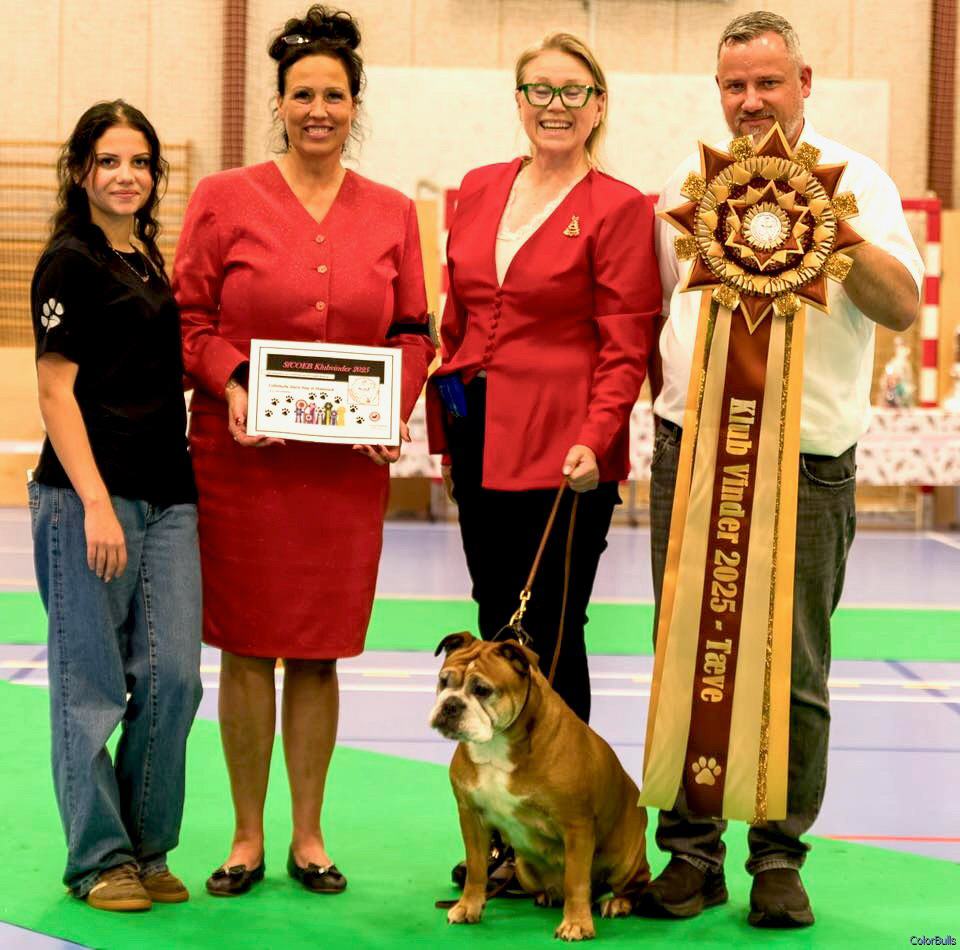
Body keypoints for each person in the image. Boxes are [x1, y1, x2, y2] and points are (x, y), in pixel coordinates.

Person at [638, 11, 923, 928]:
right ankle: (690, 854)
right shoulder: (685, 186)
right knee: (689, 652)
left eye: (768, 82)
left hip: (808, 463)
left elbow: (903, 307)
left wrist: (828, 230)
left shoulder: (859, 182)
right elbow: (661, 316)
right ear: (718, 91)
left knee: (794, 668)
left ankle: (778, 858)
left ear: (805, 82)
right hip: (693, 453)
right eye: (735, 85)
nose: (751, 100)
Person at [172, 4, 432, 897]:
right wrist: (233, 383)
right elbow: (188, 321)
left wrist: (392, 406)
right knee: (247, 648)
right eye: (302, 94)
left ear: (355, 104)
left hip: (341, 472)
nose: (318, 109)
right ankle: (246, 835)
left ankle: (309, 836)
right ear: (278, 103)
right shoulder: (222, 199)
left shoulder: (393, 212)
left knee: (319, 651)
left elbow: (413, 330)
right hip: (242, 457)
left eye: (334, 95)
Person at [427, 32, 660, 727]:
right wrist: (448, 440)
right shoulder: (478, 187)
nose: (555, 104)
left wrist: (598, 436)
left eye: (573, 91)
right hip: (476, 433)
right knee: (494, 619)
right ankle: (504, 790)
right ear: (520, 100)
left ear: (599, 105)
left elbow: (627, 343)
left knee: (548, 630)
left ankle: (563, 790)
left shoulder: (620, 206)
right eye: (540, 90)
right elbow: (457, 319)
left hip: (565, 448)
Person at [28, 100, 202, 912]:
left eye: (139, 162)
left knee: (175, 680)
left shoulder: (147, 257)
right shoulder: (69, 262)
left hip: (169, 496)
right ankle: (99, 860)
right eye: (108, 161)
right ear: (80, 172)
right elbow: (54, 392)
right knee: (92, 686)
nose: (126, 175)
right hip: (88, 500)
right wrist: (95, 502)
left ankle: (146, 846)